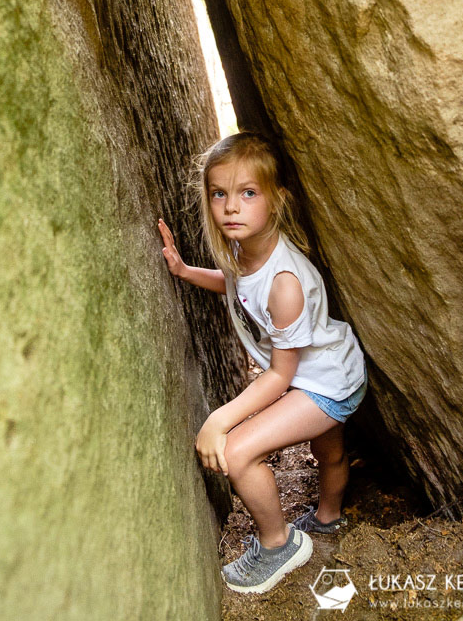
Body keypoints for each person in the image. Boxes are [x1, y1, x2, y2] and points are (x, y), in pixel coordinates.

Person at [158, 131, 368, 594]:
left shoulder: (286, 283)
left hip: (327, 383)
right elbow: (235, 284)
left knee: (235, 451)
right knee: (327, 452)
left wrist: (220, 419)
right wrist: (186, 272)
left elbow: (279, 374)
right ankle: (329, 519)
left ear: (276, 200)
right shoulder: (244, 251)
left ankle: (279, 544)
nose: (231, 207)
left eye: (248, 193)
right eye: (220, 194)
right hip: (328, 368)